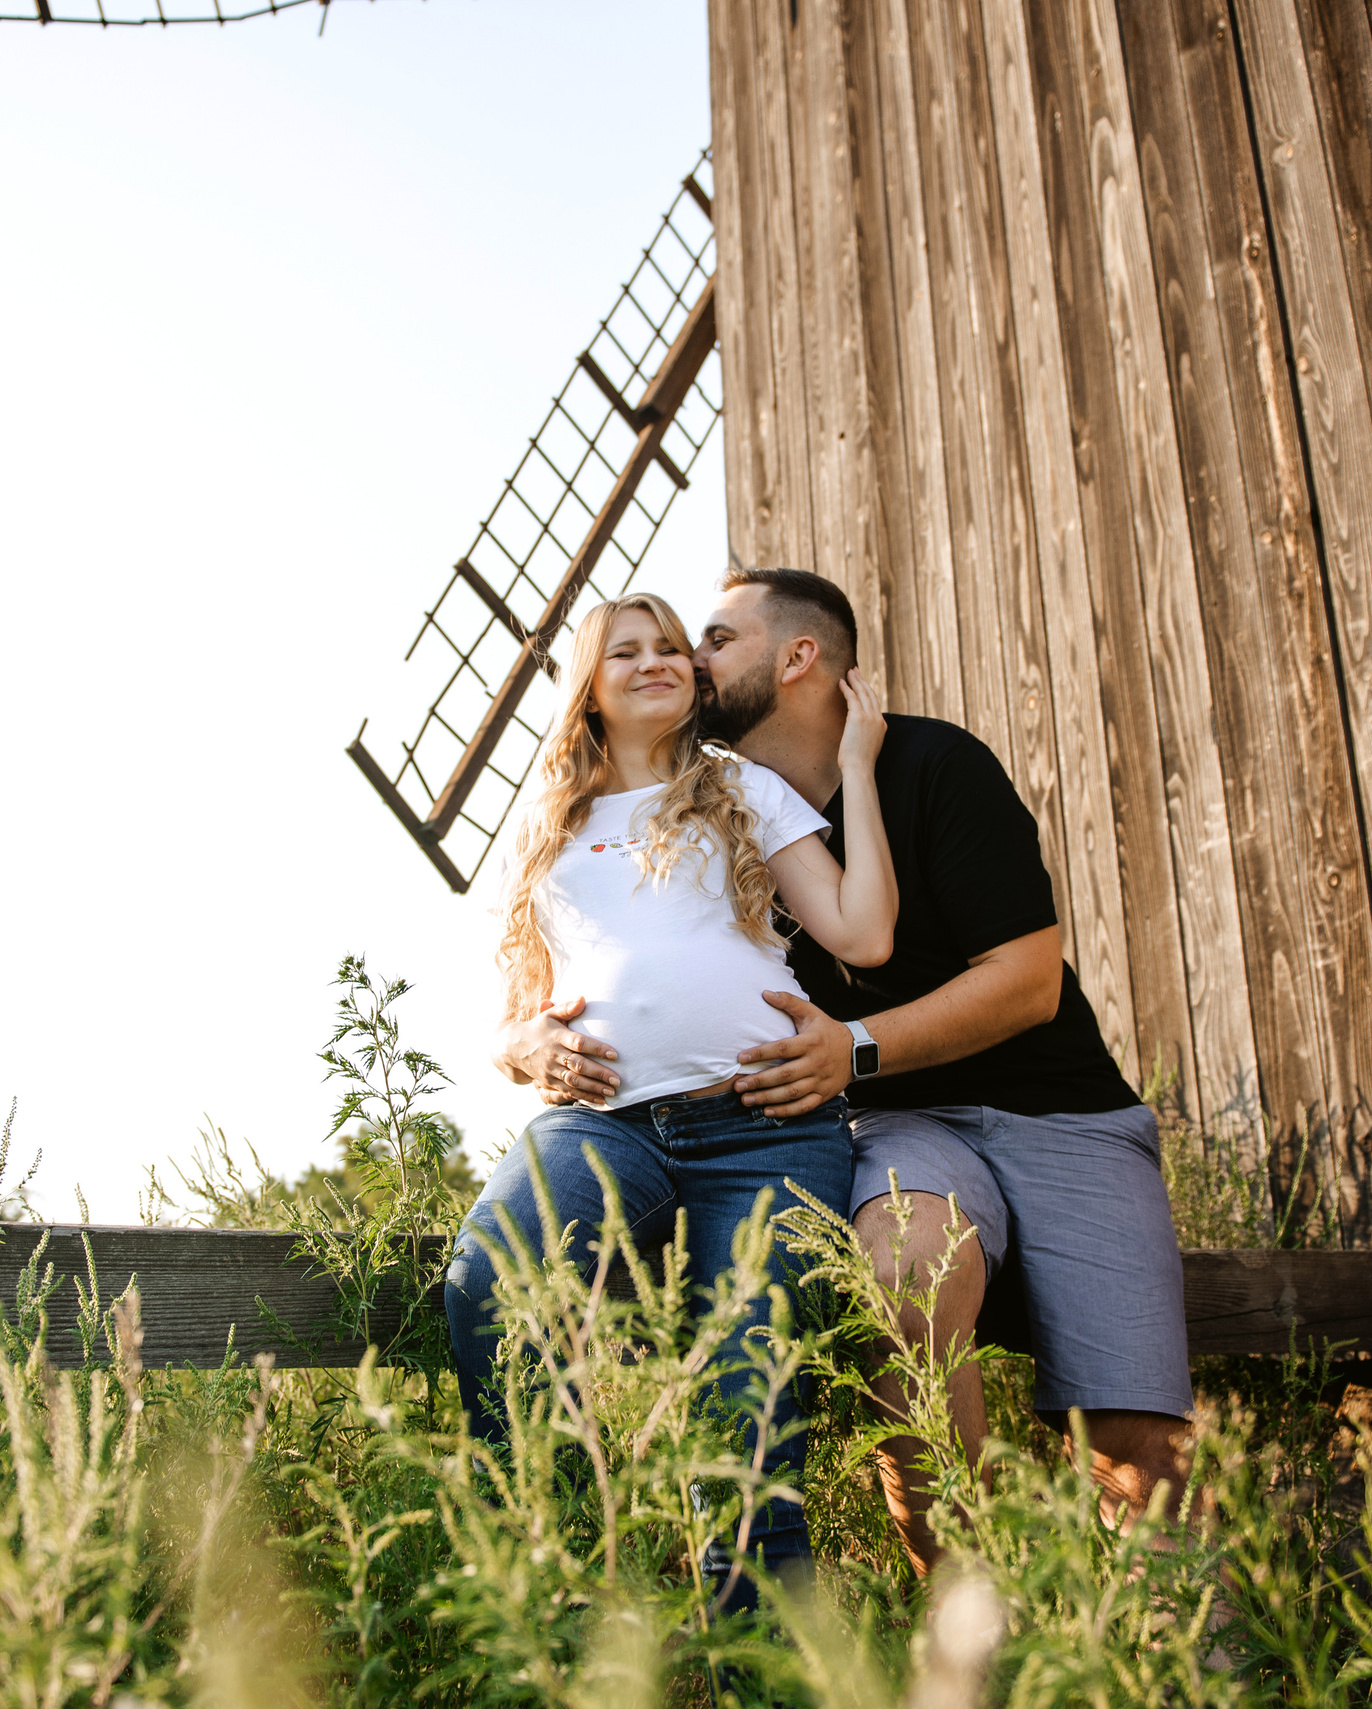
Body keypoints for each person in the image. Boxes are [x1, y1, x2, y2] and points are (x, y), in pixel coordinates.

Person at [522, 568, 1195, 1576]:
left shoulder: (934, 764)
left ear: (796, 659)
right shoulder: (702, 808)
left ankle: (1185, 1654)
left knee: (1130, 1438)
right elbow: (596, 956)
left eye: (712, 639)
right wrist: (534, 1042)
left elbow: (1025, 983)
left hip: (1064, 1113)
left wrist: (856, 1044)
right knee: (903, 1274)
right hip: (888, 1124)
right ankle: (965, 1622)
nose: (686, 660)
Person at [449, 589, 896, 1606]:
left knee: (746, 1410)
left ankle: (753, 1662)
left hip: (765, 1129)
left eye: (671, 648)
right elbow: (504, 1016)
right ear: (590, 692)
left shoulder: (741, 787)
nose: (659, 662)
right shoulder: (545, 820)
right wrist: (525, 1047)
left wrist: (859, 770)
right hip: (603, 1124)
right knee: (489, 1279)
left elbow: (862, 933)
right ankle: (552, 1591)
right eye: (628, 652)